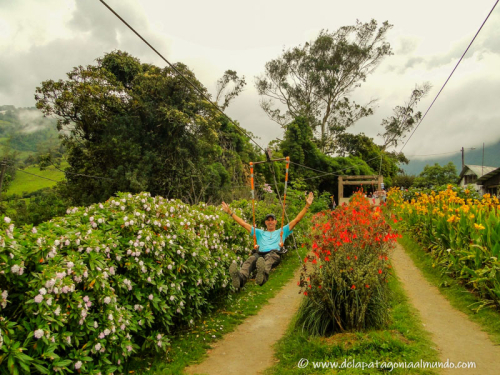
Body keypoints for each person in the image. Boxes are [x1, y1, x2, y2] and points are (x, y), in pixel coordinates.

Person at [221, 192, 314, 290]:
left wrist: (307, 206)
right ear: (265, 222)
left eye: (272, 220)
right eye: (268, 220)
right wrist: (230, 212)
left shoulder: (282, 231)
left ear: (275, 222)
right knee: (250, 260)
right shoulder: (260, 233)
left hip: (274, 253)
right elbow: (243, 224)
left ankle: (262, 276)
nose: (270, 222)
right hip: (260, 254)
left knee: (268, 259)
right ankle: (239, 279)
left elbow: (296, 220)